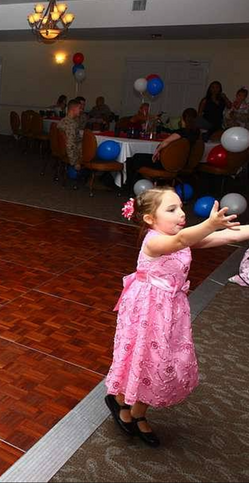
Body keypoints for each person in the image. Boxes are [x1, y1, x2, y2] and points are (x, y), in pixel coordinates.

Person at [106, 189, 249, 447]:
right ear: (150, 219)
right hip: (147, 309)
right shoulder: (154, 240)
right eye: (171, 210)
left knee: (160, 360)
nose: (182, 214)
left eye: (181, 207)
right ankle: (124, 405)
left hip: (171, 309)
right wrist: (209, 223)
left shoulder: (177, 235)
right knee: (142, 356)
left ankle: (133, 408)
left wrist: (223, 229)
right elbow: (182, 240)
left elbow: (224, 235)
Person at [124, 108, 199, 194]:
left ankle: (130, 186)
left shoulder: (182, 132)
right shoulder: (196, 132)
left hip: (168, 164)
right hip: (182, 163)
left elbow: (166, 141)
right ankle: (139, 184)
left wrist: (157, 151)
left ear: (183, 119)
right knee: (136, 159)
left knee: (135, 158)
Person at [57, 99, 83, 170]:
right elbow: (70, 144)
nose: (81, 110)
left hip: (63, 150)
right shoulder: (71, 124)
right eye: (79, 108)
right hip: (75, 153)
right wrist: (75, 162)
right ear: (73, 109)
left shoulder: (62, 121)